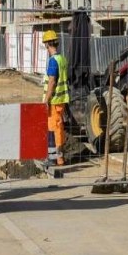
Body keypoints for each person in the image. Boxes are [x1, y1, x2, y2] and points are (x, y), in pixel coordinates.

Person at [42, 29, 69, 167]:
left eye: (45, 44)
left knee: (52, 129)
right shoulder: (62, 59)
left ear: (47, 44)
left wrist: (46, 100)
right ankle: (59, 157)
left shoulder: (53, 61)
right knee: (59, 128)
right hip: (61, 100)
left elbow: (52, 81)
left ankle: (54, 158)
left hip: (54, 101)